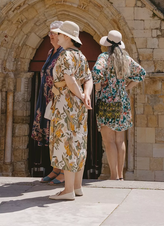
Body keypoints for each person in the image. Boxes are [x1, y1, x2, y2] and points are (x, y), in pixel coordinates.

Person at [47, 20, 93, 201]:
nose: (56, 36)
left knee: (65, 142)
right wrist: (86, 95)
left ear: (66, 37)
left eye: (59, 34)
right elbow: (88, 78)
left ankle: (67, 191)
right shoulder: (81, 56)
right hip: (78, 106)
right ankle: (77, 187)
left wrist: (81, 95)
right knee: (78, 143)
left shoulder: (65, 56)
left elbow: (69, 78)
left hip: (65, 104)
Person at [92, 30, 145, 180]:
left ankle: (113, 176)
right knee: (120, 140)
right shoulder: (126, 59)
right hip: (122, 102)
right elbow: (141, 74)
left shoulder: (104, 57)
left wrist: (98, 88)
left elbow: (96, 72)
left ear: (107, 45)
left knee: (109, 141)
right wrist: (127, 87)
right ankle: (121, 176)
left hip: (106, 102)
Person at [31, 20, 66, 185]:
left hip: (58, 100)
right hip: (46, 100)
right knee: (52, 136)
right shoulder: (51, 52)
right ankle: (55, 169)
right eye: (50, 32)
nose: (51, 35)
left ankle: (64, 172)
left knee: (60, 135)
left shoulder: (64, 53)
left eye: (55, 32)